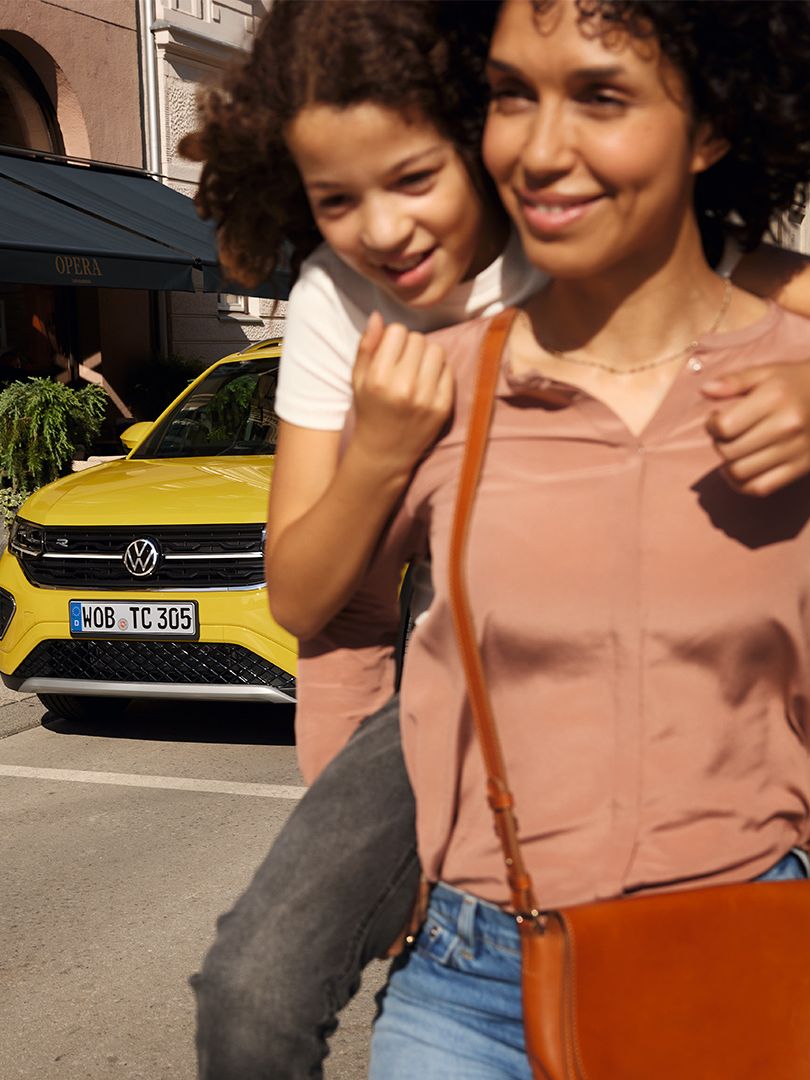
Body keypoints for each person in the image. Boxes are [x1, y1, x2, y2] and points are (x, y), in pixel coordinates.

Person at [183, 2, 810, 1076]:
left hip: (654, 701)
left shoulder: (572, 229)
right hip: (449, 652)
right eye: (339, 201)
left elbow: (750, 288)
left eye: (415, 180)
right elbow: (315, 603)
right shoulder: (340, 305)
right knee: (257, 981)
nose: (383, 231)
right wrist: (381, 452)